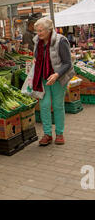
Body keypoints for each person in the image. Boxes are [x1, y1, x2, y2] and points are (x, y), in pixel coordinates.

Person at [33, 18, 74, 146]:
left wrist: (57, 74)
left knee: (57, 105)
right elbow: (36, 55)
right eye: (37, 31)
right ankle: (47, 134)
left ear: (49, 30)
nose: (38, 34)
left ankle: (60, 133)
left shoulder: (61, 41)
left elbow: (67, 63)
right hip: (43, 77)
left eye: (40, 31)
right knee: (44, 105)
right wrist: (35, 60)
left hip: (58, 77)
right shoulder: (37, 41)